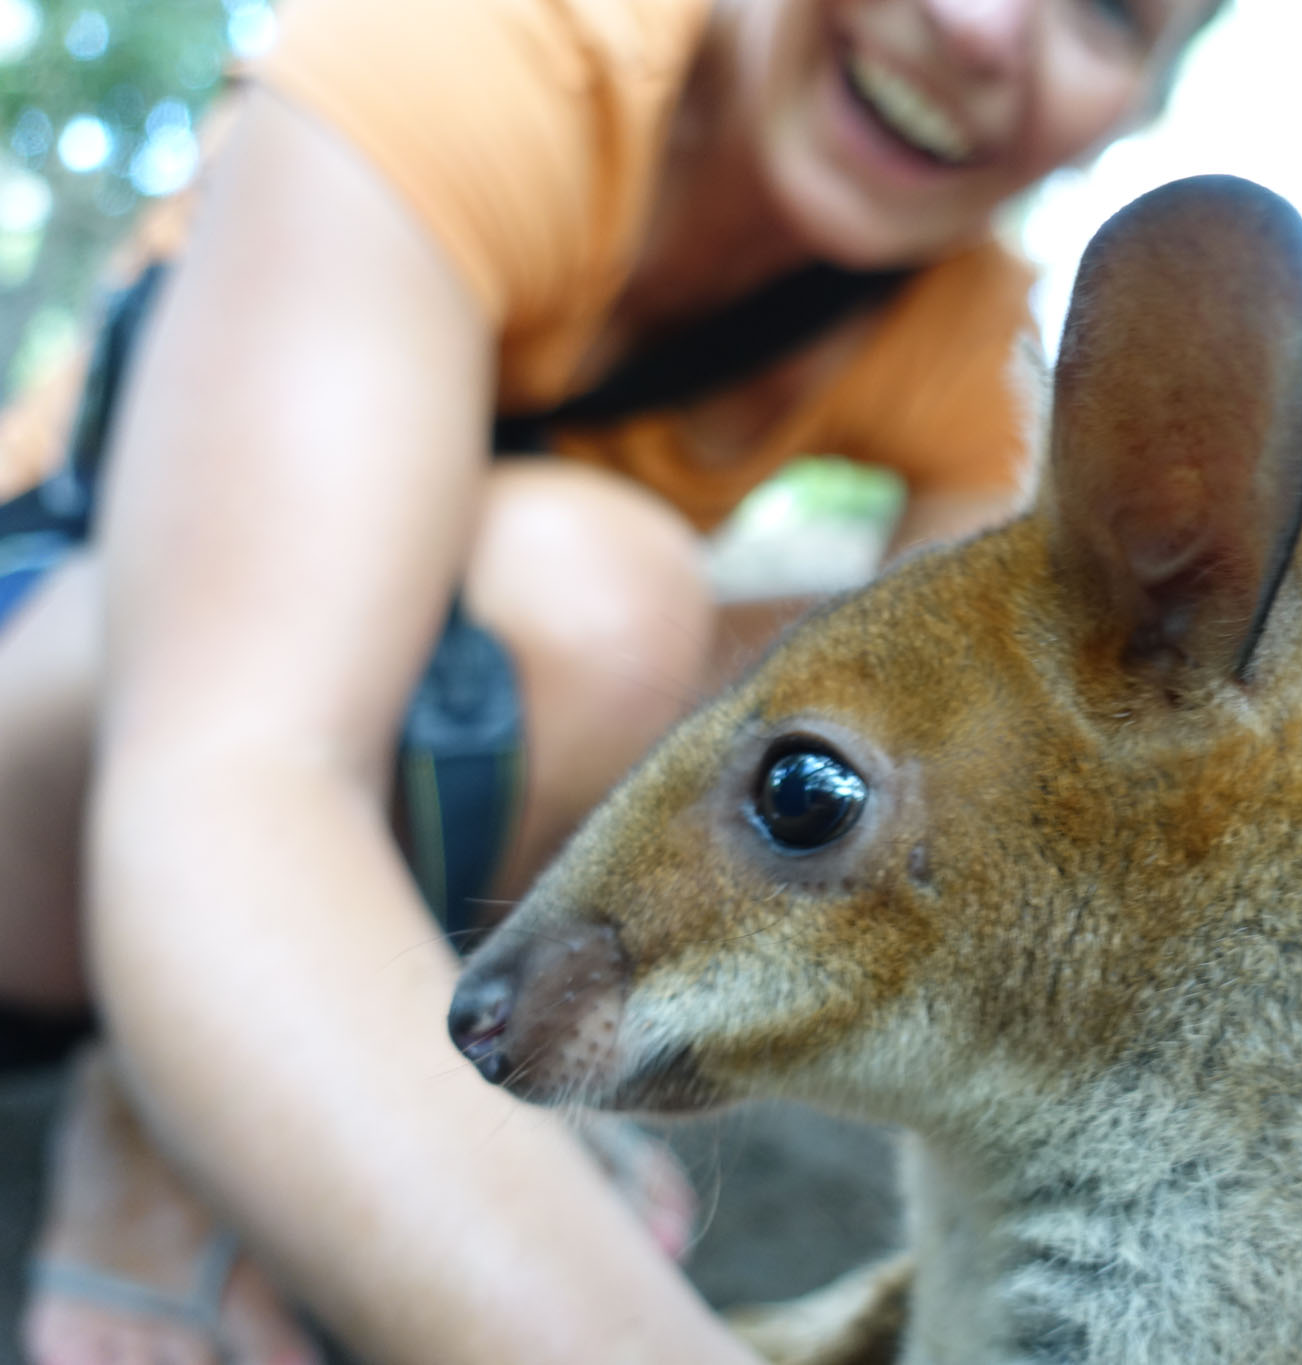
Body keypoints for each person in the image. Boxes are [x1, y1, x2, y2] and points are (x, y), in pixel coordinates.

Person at [0, 0, 1222, 1360]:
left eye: (1109, 12)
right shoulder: (483, 53)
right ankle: (190, 1109)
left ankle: (351, 1059)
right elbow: (233, 774)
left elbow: (964, 818)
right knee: (595, 599)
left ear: (1144, 103)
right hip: (60, 709)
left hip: (404, 718)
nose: (983, 25)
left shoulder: (971, 324)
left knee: (784, 676)